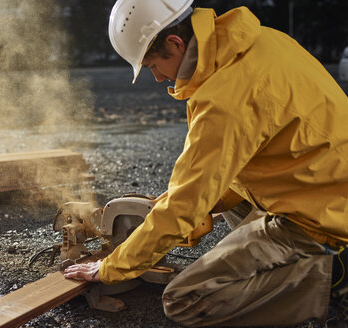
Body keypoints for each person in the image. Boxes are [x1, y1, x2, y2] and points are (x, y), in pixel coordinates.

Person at [64, 0, 348, 326]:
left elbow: (184, 203)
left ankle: (332, 278)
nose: (157, 78)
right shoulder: (263, 41)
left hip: (324, 220)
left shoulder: (224, 97)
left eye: (153, 65)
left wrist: (113, 267)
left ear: (175, 43)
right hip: (327, 184)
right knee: (217, 197)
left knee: (184, 300)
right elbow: (234, 165)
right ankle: (285, 272)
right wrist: (204, 204)